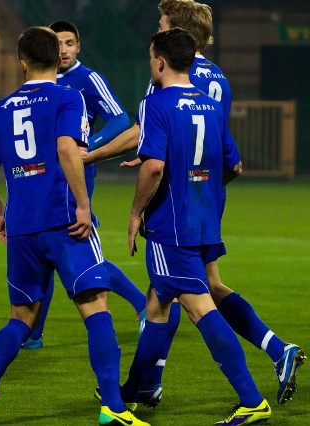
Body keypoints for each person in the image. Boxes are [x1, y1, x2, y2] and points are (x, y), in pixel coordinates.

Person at [89, 0, 304, 407]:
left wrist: (91, 156)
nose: (157, 27)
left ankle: (258, 380)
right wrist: (203, 182)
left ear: (174, 35)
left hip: (175, 206)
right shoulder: (218, 77)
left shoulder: (168, 79)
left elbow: (144, 134)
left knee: (196, 297)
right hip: (208, 198)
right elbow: (231, 160)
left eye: (162, 23)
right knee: (169, 292)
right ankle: (145, 384)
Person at [0, 26, 149, 426]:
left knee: (21, 318)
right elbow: (68, 149)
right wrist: (84, 206)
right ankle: (113, 410)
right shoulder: (68, 97)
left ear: (21, 62)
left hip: (22, 228)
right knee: (95, 308)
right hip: (66, 224)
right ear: (57, 57)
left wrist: (0, 211)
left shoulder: (1, 108)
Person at [121, 28, 271, 425]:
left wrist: (136, 213)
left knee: (201, 309)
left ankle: (252, 400)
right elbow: (231, 164)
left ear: (161, 61)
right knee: (157, 307)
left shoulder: (156, 104)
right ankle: (130, 392)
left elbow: (153, 167)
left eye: (152, 56)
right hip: (204, 219)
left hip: (172, 225)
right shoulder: (210, 105)